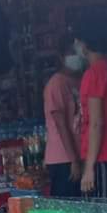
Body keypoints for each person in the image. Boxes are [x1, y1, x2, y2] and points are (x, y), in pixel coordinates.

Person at [74, 14, 107, 199]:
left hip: (102, 157)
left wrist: (89, 168)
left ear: (86, 44)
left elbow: (97, 123)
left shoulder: (94, 74)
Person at [43, 35, 84, 199]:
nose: (76, 56)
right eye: (71, 52)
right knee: (67, 209)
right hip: (63, 158)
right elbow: (61, 124)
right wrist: (73, 160)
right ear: (61, 57)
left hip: (77, 155)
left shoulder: (78, 80)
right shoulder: (56, 84)